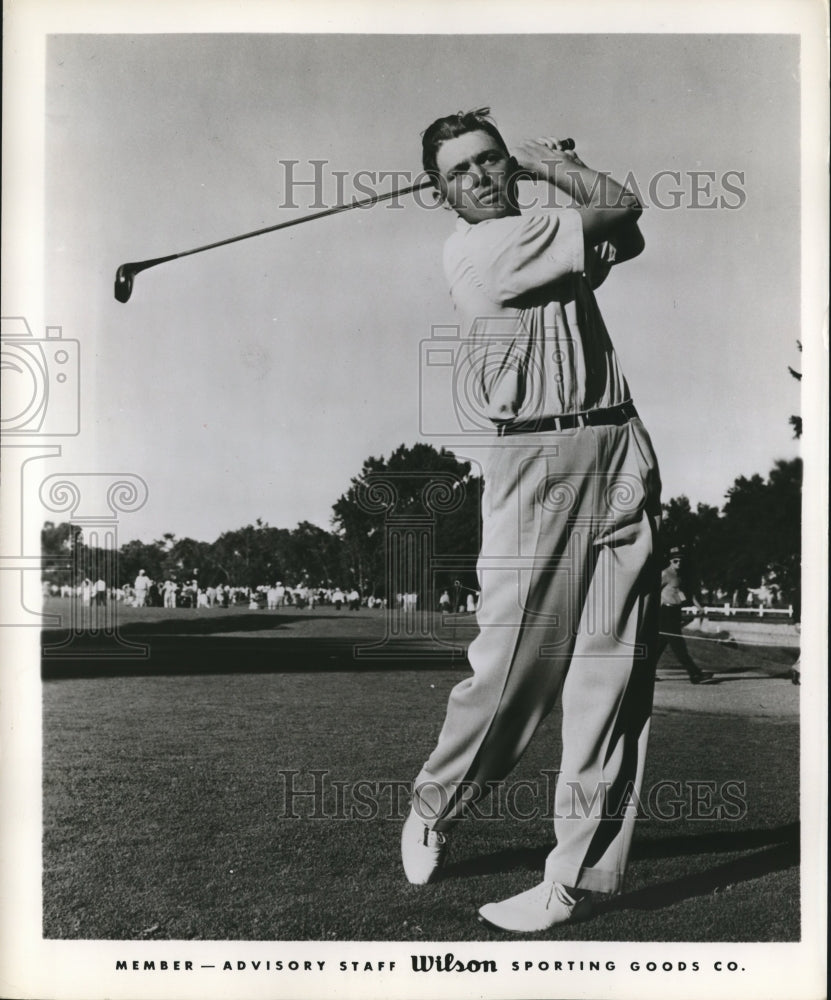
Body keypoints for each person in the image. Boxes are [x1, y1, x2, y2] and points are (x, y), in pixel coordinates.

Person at [400, 108, 662, 932]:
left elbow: (627, 235)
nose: (481, 177)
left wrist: (556, 176)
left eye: (490, 161)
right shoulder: (477, 250)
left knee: (610, 670)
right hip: (533, 463)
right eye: (461, 172)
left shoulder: (546, 235)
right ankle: (435, 805)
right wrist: (553, 168)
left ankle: (569, 880)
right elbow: (619, 209)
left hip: (618, 441)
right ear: (442, 195)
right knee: (512, 666)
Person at [656, 547, 714, 684]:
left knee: (660, 645)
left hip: (675, 612)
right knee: (678, 645)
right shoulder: (665, 574)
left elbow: (682, 594)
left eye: (680, 560)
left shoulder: (679, 576)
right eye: (675, 561)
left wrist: (697, 606)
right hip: (665, 613)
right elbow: (653, 593)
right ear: (670, 561)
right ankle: (695, 674)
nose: (678, 563)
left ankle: (645, 673)